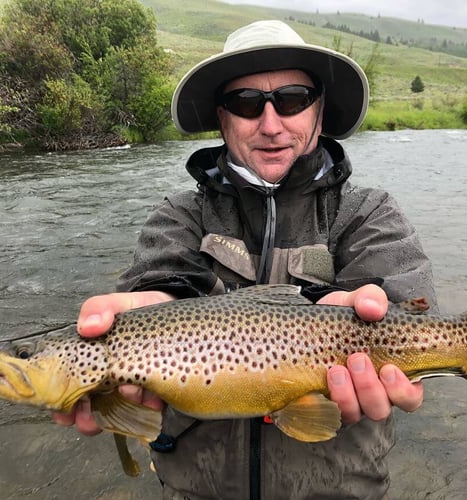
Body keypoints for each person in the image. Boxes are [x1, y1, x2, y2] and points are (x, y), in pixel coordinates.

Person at [53, 20, 437, 499]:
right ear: (222, 118)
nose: (271, 124)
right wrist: (152, 306)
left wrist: (363, 313)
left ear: (319, 111)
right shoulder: (180, 215)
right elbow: (163, 280)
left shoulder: (367, 211)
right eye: (246, 104)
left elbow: (409, 310)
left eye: (293, 99)